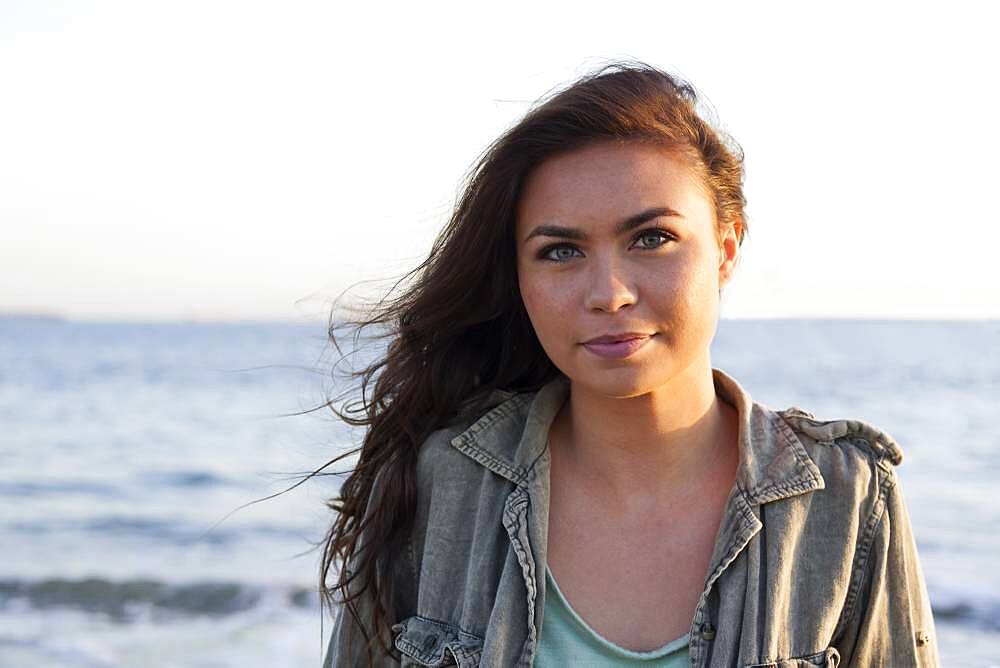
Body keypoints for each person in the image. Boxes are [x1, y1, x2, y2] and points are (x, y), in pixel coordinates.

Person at [317, 62, 940, 666]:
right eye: (560, 251)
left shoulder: (849, 499)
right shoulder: (441, 485)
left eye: (651, 238)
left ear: (726, 249)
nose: (608, 293)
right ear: (521, 277)